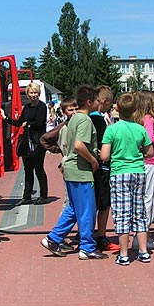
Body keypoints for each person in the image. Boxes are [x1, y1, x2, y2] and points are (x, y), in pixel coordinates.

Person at [41, 85, 107, 260]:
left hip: (71, 168)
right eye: (97, 100)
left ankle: (53, 238)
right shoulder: (85, 120)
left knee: (73, 209)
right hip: (80, 170)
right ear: (89, 102)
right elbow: (79, 145)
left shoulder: (74, 119)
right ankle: (87, 246)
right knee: (87, 210)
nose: (99, 103)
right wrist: (93, 160)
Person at [101, 93, 153, 265]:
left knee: (122, 212)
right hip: (138, 171)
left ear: (117, 108)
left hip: (119, 173)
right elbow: (150, 152)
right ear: (135, 110)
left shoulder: (112, 129)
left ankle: (124, 253)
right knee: (139, 211)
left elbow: (105, 156)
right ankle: (143, 251)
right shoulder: (140, 129)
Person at [133, 90, 154, 241]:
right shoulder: (149, 119)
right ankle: (141, 234)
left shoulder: (137, 119)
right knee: (151, 199)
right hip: (150, 161)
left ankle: (141, 233)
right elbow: (150, 138)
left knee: (146, 198)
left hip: (141, 162)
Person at [90, 85, 119, 251]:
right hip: (102, 168)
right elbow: (103, 144)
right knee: (103, 204)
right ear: (105, 102)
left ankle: (87, 233)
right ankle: (101, 235)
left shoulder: (89, 118)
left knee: (93, 203)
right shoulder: (99, 120)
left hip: (94, 167)